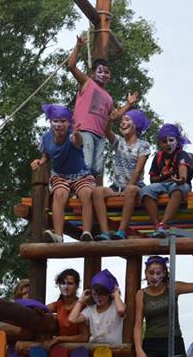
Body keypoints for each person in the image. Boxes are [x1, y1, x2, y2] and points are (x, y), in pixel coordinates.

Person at [65, 35, 139, 179]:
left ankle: (86, 188)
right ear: (92, 73)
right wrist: (78, 46)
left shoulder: (108, 98)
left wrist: (128, 104)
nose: (104, 74)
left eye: (107, 72)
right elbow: (71, 66)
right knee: (85, 164)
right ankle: (78, 188)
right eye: (100, 71)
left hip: (99, 135)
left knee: (96, 168)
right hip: (84, 130)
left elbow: (115, 116)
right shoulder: (87, 82)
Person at [31, 104, 97, 243]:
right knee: (59, 194)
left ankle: (86, 232)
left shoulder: (72, 135)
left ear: (68, 123)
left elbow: (77, 142)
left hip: (80, 174)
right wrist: (41, 160)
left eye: (63, 121)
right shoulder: (46, 138)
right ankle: (59, 235)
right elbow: (47, 154)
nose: (59, 125)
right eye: (56, 121)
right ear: (50, 122)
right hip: (60, 175)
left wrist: (78, 133)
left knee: (86, 193)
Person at [88, 109, 152, 241]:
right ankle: (105, 232)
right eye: (122, 121)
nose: (123, 123)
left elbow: (138, 170)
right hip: (116, 187)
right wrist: (110, 119)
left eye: (127, 120)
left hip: (134, 186)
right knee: (97, 191)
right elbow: (106, 131)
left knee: (130, 189)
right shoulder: (119, 141)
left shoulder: (143, 146)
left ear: (136, 125)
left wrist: (128, 186)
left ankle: (121, 231)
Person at [140, 124, 193, 238]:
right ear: (160, 143)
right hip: (163, 185)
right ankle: (157, 226)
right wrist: (167, 176)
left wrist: (181, 179)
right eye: (165, 141)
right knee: (145, 191)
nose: (168, 143)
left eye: (171, 140)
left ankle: (163, 224)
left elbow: (183, 170)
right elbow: (152, 179)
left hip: (180, 184)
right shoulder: (158, 156)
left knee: (178, 189)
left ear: (177, 141)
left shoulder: (181, 154)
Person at [45, 269, 89, 347]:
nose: (66, 286)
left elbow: (84, 337)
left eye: (70, 283)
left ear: (77, 285)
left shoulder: (81, 307)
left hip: (79, 353)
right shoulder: (58, 304)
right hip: (61, 352)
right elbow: (41, 309)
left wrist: (58, 339)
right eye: (63, 283)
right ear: (59, 286)